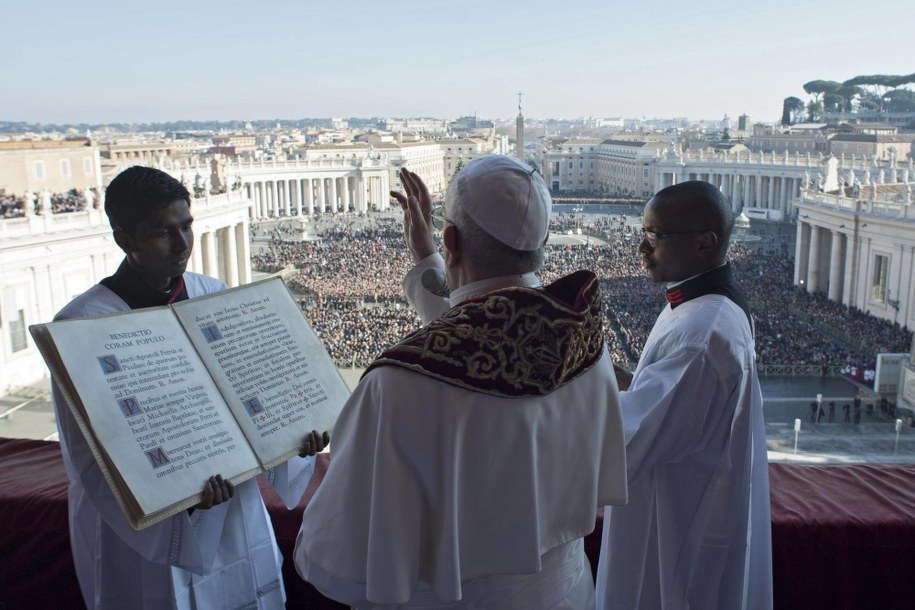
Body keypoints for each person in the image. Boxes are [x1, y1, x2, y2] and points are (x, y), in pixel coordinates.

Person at [294, 156, 628, 608]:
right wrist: (428, 258)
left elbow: (335, 560)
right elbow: (489, 341)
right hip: (567, 593)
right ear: (543, 241)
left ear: (450, 239)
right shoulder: (585, 338)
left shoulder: (398, 383)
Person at [51, 166, 328, 610]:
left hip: (232, 503)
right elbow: (90, 458)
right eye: (162, 232)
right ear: (125, 238)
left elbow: (249, 396)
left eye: (186, 227)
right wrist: (181, 504)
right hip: (152, 536)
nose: (182, 245)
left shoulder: (212, 294)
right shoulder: (81, 326)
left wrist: (295, 441)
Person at [595, 180, 773, 609]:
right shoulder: (698, 304)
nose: (642, 246)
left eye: (655, 236)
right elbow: (664, 396)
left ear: (703, 243)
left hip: (676, 545)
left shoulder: (701, 334)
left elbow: (621, 442)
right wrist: (609, 374)